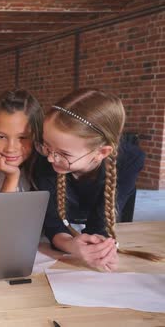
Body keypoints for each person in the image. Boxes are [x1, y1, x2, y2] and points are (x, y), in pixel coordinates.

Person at [34, 88, 161, 271]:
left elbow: (102, 223)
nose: (50, 158)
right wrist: (71, 245)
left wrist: (98, 249)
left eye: (64, 154)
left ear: (102, 152)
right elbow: (52, 222)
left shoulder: (129, 160)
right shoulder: (47, 158)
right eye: (46, 146)